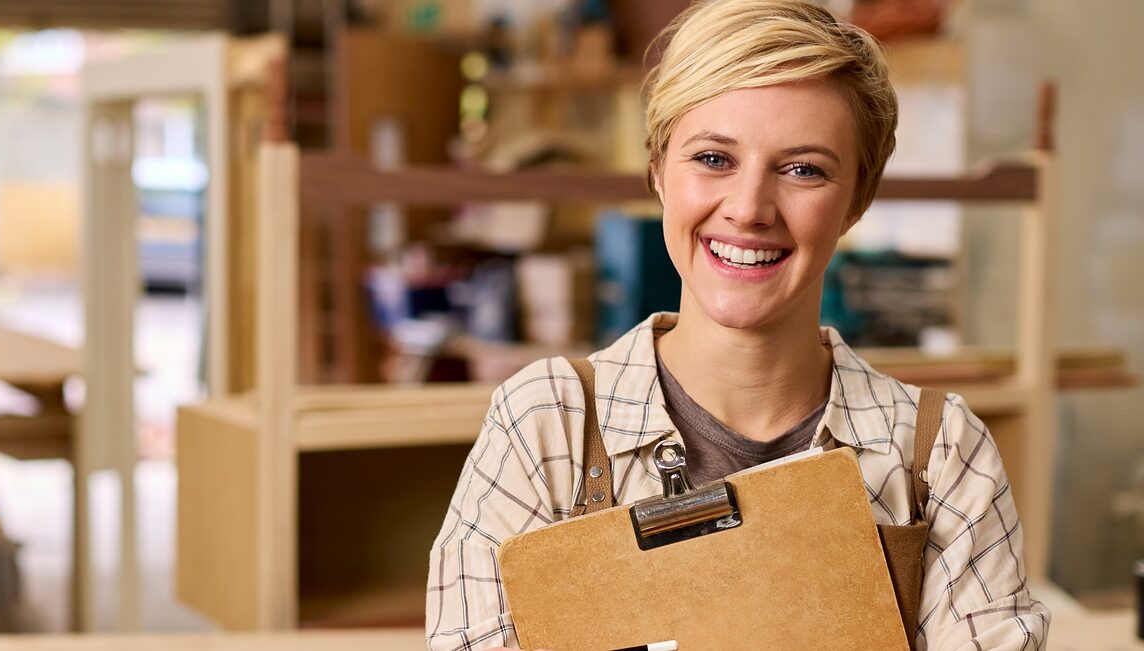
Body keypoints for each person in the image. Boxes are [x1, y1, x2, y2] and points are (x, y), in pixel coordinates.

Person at [424, 1, 1050, 649]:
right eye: (714, 159)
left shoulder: (942, 456)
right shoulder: (545, 423)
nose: (749, 209)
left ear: (856, 199)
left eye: (803, 169)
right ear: (659, 171)